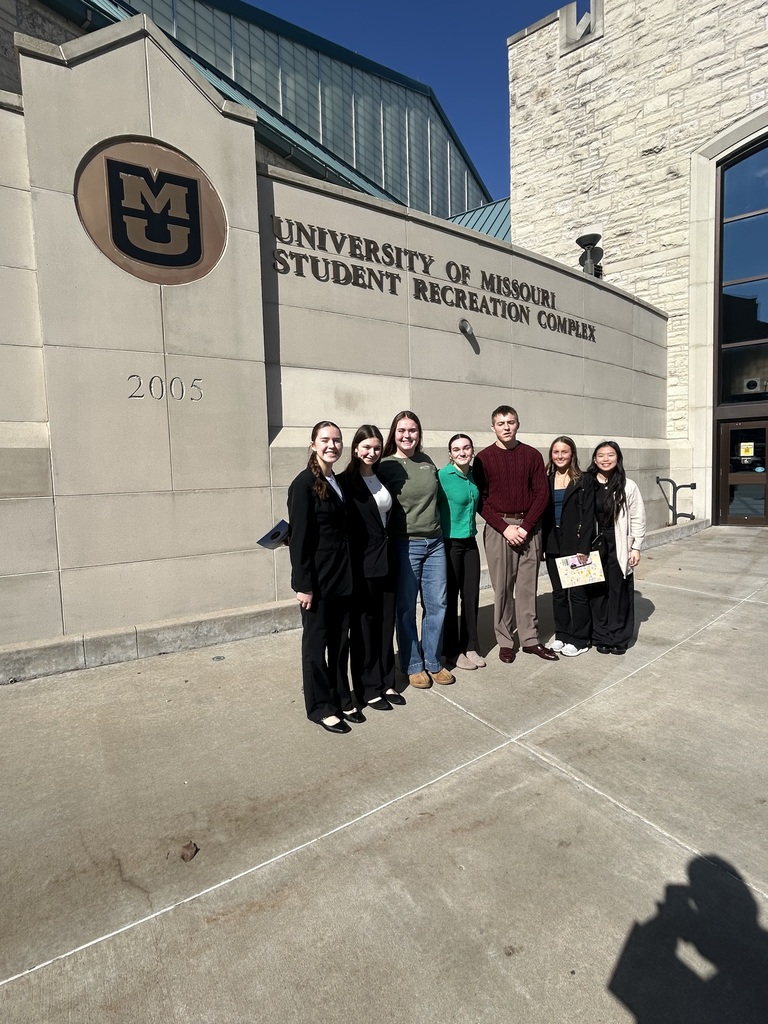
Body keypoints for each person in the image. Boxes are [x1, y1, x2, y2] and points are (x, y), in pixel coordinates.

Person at [287, 420, 358, 734]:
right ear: (313, 444)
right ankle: (320, 707)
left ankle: (341, 696)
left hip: (343, 577)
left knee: (340, 643)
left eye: (337, 440)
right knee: (316, 646)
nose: (332, 445)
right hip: (317, 581)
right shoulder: (302, 485)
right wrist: (303, 585)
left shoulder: (338, 481)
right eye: (326, 440)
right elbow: (299, 539)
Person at [473, 405, 556, 663]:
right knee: (502, 588)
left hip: (529, 527)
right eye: (501, 423)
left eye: (511, 422)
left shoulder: (531, 455)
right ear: (493, 427)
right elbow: (481, 500)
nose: (506, 427)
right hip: (500, 529)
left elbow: (542, 495)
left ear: (518, 424)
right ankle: (505, 640)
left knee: (527, 587)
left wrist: (525, 526)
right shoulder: (483, 459)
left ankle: (530, 639)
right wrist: (505, 527)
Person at [378, 411, 454, 689]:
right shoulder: (385, 465)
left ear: (419, 434)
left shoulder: (427, 462)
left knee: (437, 605)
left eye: (412, 430)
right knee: (406, 607)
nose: (407, 435)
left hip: (434, 543)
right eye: (401, 430)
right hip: (405, 543)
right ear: (394, 433)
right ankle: (412, 663)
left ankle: (433, 661)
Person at [339, 425, 405, 711]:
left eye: (377, 447)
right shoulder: (344, 482)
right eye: (366, 447)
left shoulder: (382, 478)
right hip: (362, 565)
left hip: (388, 560)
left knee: (385, 623)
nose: (372, 452)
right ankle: (368, 689)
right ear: (355, 448)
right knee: (365, 627)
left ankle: (386, 681)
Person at [587, 440, 647, 654]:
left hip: (619, 542)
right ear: (595, 459)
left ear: (618, 458)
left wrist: (636, 547)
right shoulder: (587, 484)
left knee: (618, 590)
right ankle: (601, 635)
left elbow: (638, 517)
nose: (605, 459)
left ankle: (619, 637)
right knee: (597, 590)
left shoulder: (627, 485)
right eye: (601, 455)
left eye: (610, 455)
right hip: (593, 542)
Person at [542, 436, 595, 657]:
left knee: (578, 594)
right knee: (559, 593)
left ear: (572, 454)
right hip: (553, 543)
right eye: (556, 452)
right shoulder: (547, 479)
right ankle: (562, 634)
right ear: (551, 455)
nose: (560, 456)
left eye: (564, 452)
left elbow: (589, 514)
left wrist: (584, 547)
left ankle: (580, 639)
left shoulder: (583, 480)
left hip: (575, 545)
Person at [438, 434, 485, 671]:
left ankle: (471, 646)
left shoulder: (474, 476)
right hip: (450, 543)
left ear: (472, 450)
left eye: (466, 448)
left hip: (470, 543)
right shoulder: (442, 476)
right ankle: (451, 651)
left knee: (471, 596)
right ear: (450, 453)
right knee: (450, 598)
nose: (462, 452)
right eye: (456, 449)